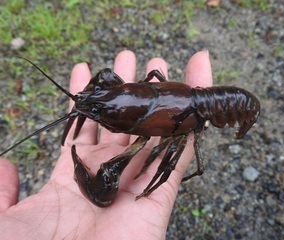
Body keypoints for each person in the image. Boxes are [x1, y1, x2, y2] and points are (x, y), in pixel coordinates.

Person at [0, 50, 212, 239]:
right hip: (178, 98)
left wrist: (148, 183)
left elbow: (164, 164)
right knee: (103, 80)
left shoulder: (171, 135)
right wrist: (94, 104)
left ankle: (147, 189)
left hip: (211, 106)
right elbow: (104, 79)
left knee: (163, 164)